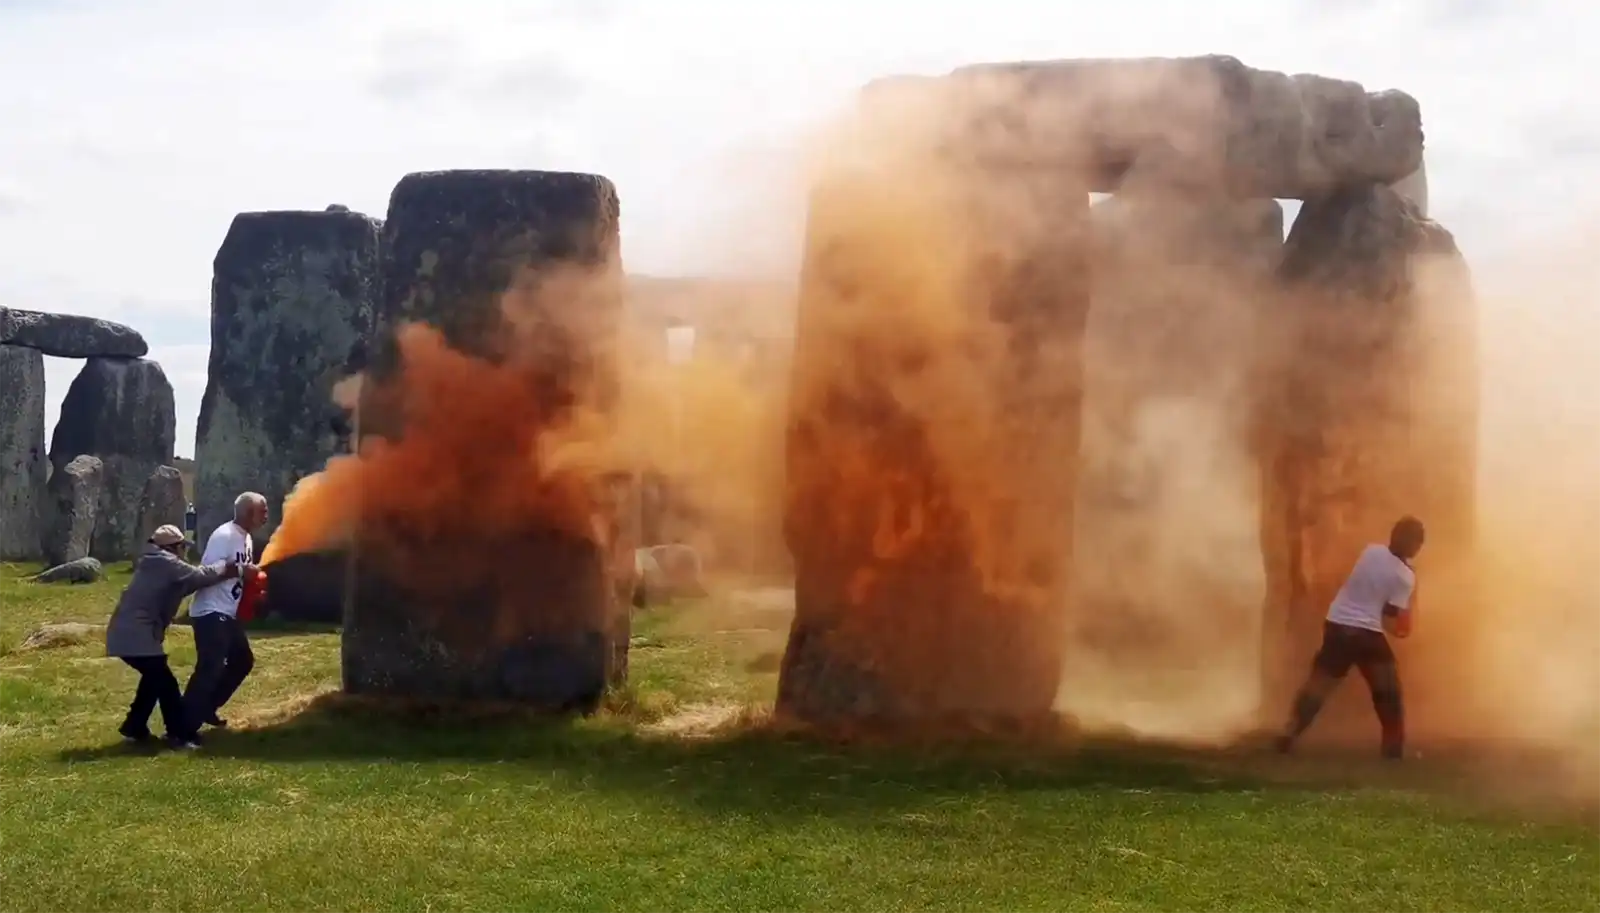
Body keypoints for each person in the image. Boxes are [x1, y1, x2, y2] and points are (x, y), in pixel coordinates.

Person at [1276, 516, 1425, 760]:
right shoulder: (1405, 577)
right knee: (1388, 692)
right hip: (1366, 632)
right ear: (1414, 545)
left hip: (1337, 624)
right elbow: (1390, 620)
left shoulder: (1371, 551)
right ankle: (1393, 749)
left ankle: (1290, 732)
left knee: (1319, 685)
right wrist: (1410, 601)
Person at [105, 525, 239, 750]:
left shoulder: (156, 562)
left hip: (129, 633)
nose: (184, 552)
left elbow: (187, 584)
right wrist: (226, 567)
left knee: (152, 681)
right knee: (166, 684)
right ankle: (179, 734)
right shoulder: (165, 561)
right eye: (182, 548)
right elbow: (198, 575)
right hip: (134, 635)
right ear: (173, 547)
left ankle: (134, 726)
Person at [183, 492, 266, 729]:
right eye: (263, 510)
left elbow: (240, 574)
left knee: (242, 661)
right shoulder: (225, 535)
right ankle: (182, 729)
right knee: (210, 669)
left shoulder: (246, 538)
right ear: (248, 512)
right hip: (210, 611)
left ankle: (206, 707)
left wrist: (253, 590)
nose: (266, 515)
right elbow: (208, 572)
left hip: (227, 612)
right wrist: (241, 571)